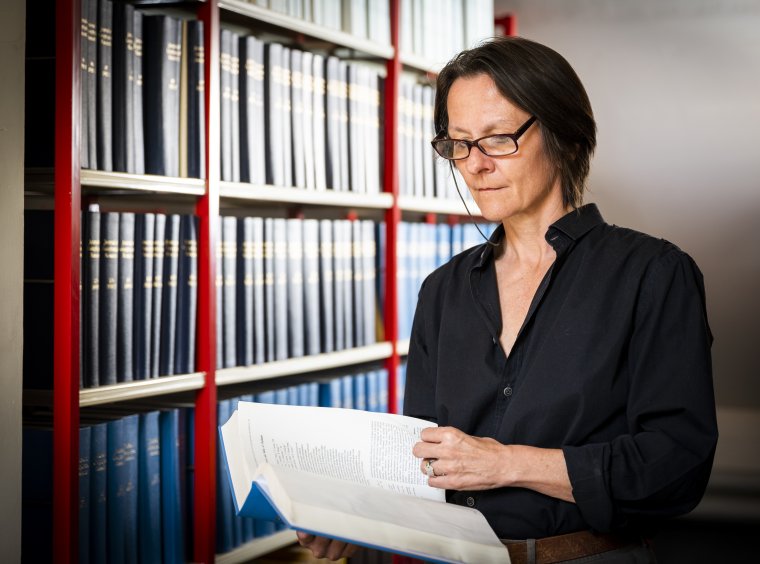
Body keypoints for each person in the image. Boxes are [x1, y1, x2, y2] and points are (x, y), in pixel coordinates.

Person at [299, 36, 717, 564]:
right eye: (458, 143)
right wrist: (357, 522)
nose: (475, 165)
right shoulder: (441, 291)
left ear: (564, 136)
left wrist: (507, 464)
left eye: (498, 139)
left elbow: (675, 466)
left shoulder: (653, 274)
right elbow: (426, 466)